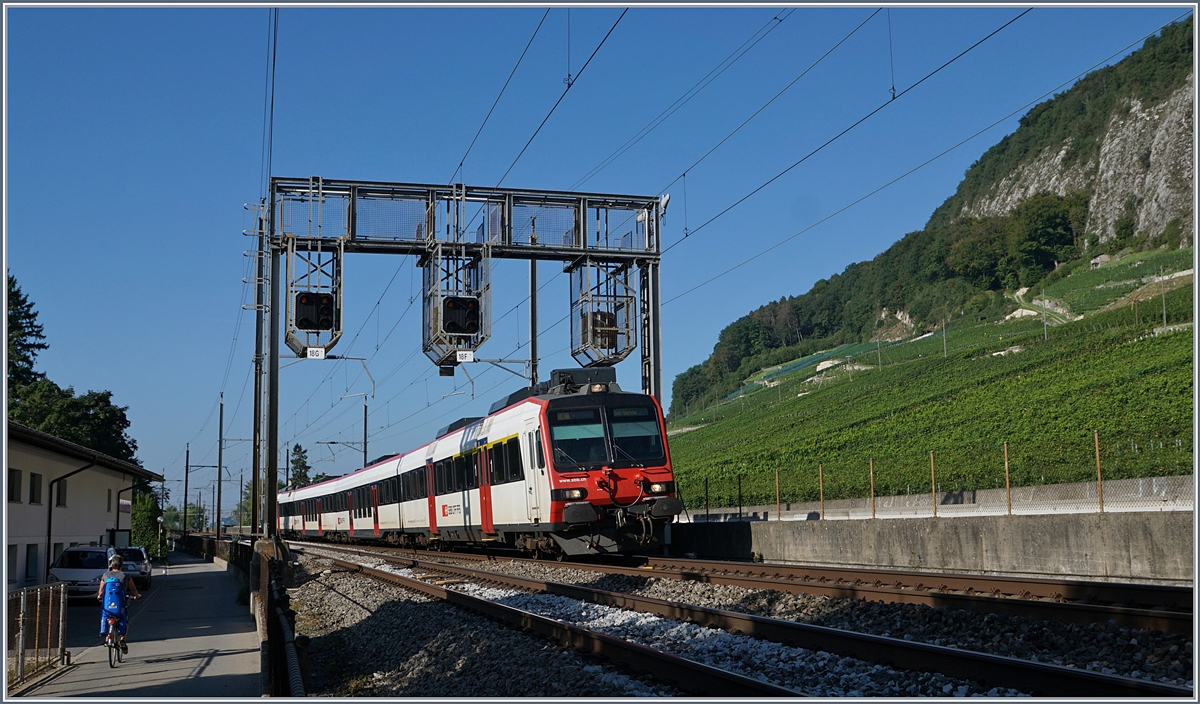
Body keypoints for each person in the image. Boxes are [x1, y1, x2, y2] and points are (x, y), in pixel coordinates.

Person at [96, 553, 141, 653]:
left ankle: (107, 637)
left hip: (107, 606)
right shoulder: (125, 575)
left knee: (105, 616)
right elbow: (133, 590)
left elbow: (101, 590)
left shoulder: (105, 575)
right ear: (121, 565)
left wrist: (99, 596)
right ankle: (122, 639)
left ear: (111, 565)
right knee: (125, 620)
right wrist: (137, 596)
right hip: (120, 604)